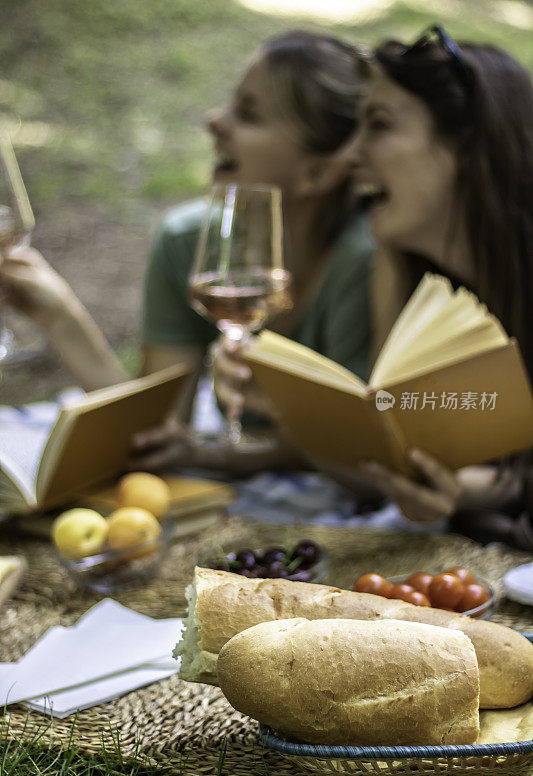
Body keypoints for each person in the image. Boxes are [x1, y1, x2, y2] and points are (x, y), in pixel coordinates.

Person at [0, 31, 377, 476]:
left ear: (318, 171)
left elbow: (363, 447)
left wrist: (218, 453)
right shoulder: (188, 242)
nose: (214, 121)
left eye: (248, 114)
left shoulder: (365, 261)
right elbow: (157, 431)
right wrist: (60, 317)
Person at [215, 26, 533, 537]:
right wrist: (290, 404)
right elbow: (398, 459)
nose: (349, 157)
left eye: (379, 126)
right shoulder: (398, 267)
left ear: (468, 145)